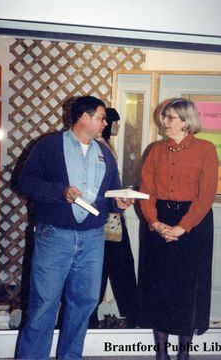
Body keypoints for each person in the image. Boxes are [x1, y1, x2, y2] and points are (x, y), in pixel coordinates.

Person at [15, 96, 133, 360]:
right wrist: (60, 192)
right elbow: (26, 182)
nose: (106, 123)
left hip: (92, 238)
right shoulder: (49, 146)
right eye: (101, 117)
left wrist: (119, 202)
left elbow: (111, 192)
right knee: (44, 304)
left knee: (84, 304)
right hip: (55, 236)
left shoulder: (105, 154)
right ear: (84, 117)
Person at [139, 98, 218, 360]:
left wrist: (183, 227)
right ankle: (162, 354)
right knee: (158, 286)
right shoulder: (155, 150)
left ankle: (183, 354)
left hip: (194, 223)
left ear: (186, 122)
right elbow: (146, 191)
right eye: (165, 116)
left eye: (170, 117)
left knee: (188, 288)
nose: (164, 121)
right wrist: (155, 222)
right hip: (160, 220)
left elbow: (206, 196)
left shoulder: (206, 149)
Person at [89, 108, 139, 328]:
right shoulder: (97, 145)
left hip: (112, 216)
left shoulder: (106, 145)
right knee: (114, 264)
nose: (117, 127)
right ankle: (131, 315)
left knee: (113, 264)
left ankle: (129, 313)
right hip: (106, 218)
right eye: (114, 123)